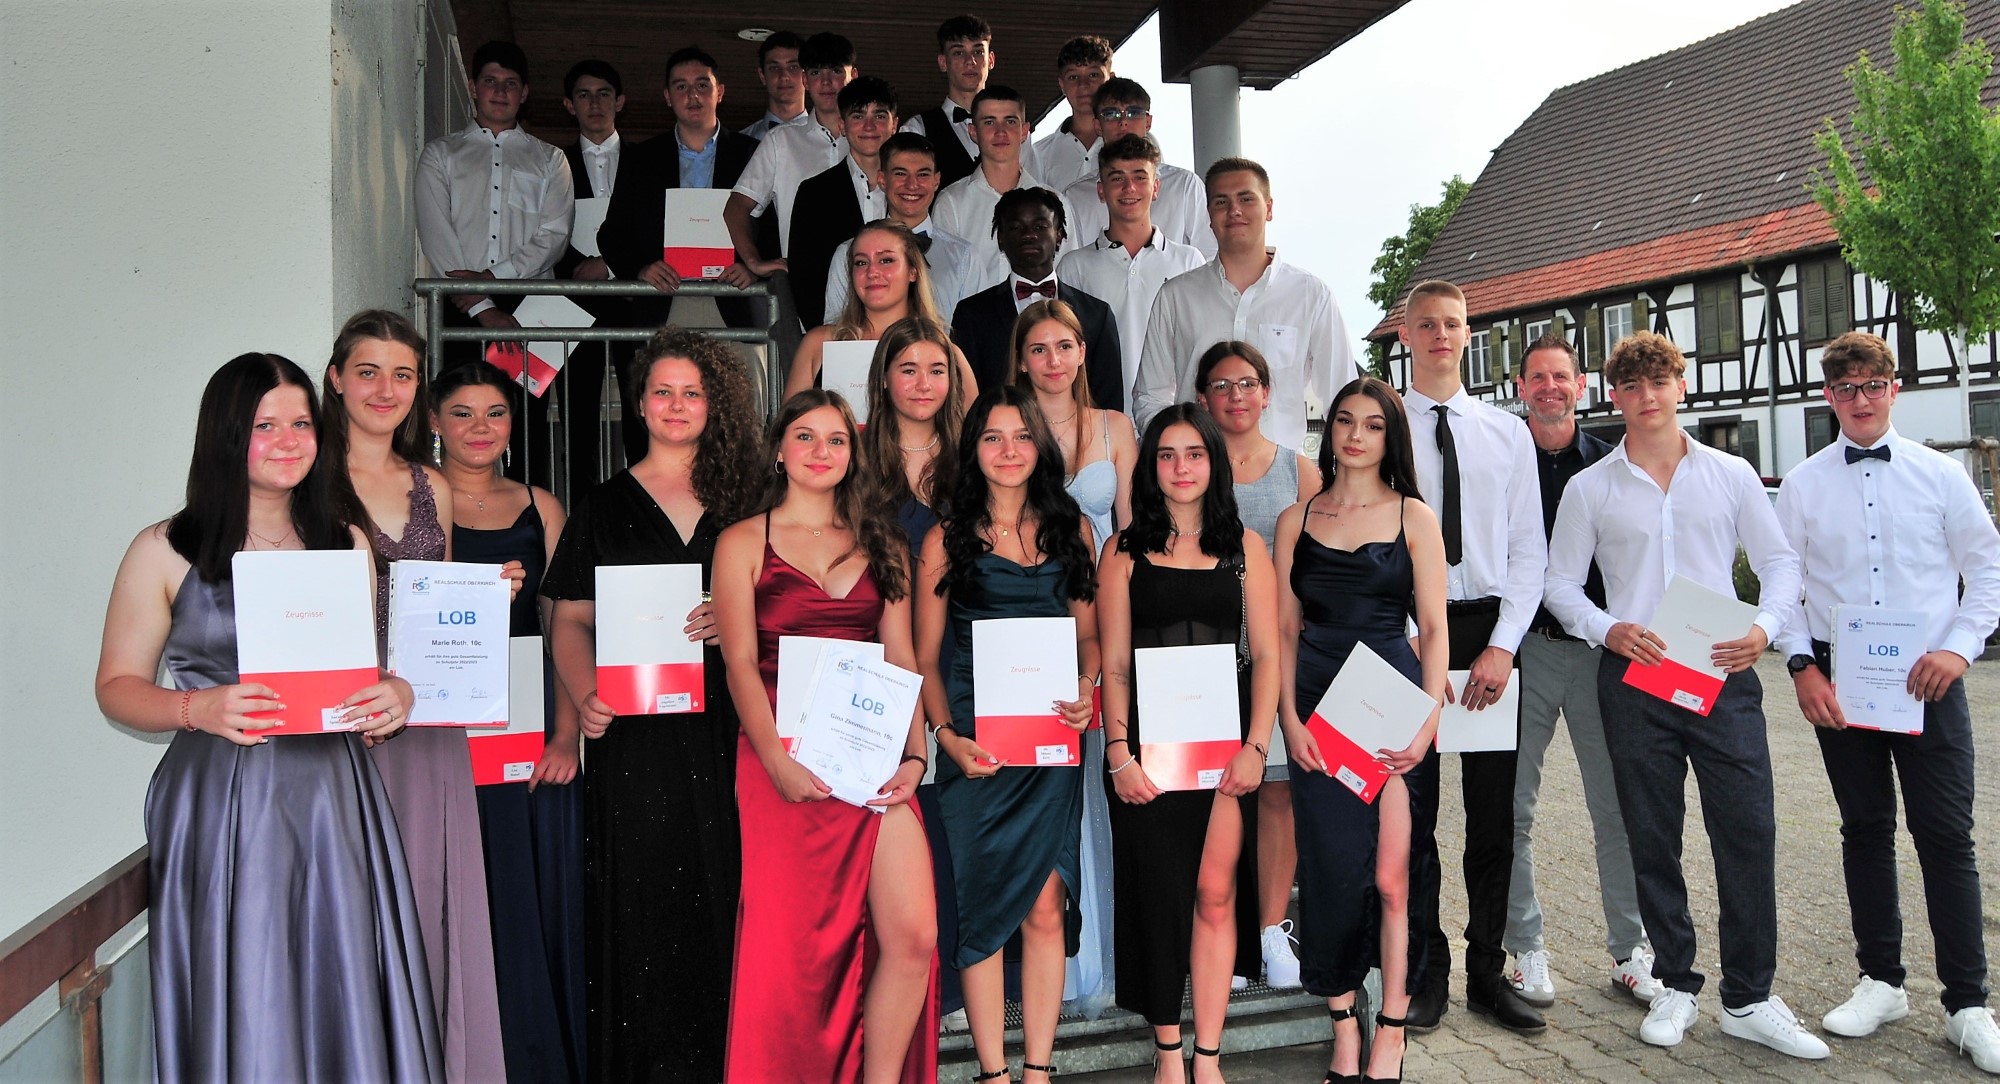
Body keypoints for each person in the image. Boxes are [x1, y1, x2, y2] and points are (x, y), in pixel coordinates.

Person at [96, 353, 440, 1080]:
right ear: (225, 435)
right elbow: (117, 687)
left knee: (340, 975)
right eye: (264, 425)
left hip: (333, 797)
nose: (289, 441)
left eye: (301, 423)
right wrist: (195, 705)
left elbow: (363, 673)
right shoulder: (164, 548)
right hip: (222, 799)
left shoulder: (345, 541)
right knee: (247, 981)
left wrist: (395, 695)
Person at [1544, 330, 1826, 1059]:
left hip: (1723, 673)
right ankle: (1675, 982)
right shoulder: (1591, 487)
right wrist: (1607, 629)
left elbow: (1781, 564)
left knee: (1748, 830)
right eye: (1633, 386)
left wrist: (1764, 629)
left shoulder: (1731, 474)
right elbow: (1560, 584)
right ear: (1615, 396)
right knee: (1651, 835)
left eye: (1659, 382)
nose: (1648, 397)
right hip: (1635, 678)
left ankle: (1750, 996)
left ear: (1682, 385)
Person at [1774, 331, 2000, 1072]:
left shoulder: (1941, 476)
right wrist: (1802, 666)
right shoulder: (1803, 484)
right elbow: (1784, 583)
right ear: (1829, 398)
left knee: (1946, 836)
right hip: (1843, 683)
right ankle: (1881, 981)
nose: (1860, 400)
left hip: (1930, 682)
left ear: (1893, 389)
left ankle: (1967, 1004)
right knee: (1865, 829)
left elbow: (1988, 568)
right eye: (1845, 389)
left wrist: (1959, 649)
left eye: (1872, 385)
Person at [540, 327, 762, 1078]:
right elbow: (569, 619)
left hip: (731, 729)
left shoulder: (749, 500)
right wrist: (584, 695)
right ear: (638, 404)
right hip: (633, 738)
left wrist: (739, 616)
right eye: (662, 391)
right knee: (642, 914)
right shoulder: (602, 506)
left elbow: (790, 603)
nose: (676, 405)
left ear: (713, 404)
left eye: (692, 392)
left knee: (731, 896)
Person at [713, 390, 939, 1083]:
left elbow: (901, 656)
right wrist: (776, 761)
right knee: (794, 957)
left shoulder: (883, 541)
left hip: (870, 754)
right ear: (779, 451)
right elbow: (738, 663)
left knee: (914, 935)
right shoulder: (741, 542)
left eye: (836, 439)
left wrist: (917, 753)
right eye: (805, 436)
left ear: (853, 454)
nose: (821, 451)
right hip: (779, 757)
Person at [321, 310, 508, 1083]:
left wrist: (485, 599)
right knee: (348, 908)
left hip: (426, 727)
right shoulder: (304, 477)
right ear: (336, 378)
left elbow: (438, 606)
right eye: (368, 371)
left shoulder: (434, 485)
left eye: (402, 375)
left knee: (428, 904)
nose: (384, 389)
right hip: (336, 727)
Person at [917, 386, 1101, 1084]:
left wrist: (1088, 687)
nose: (1008, 450)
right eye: (992, 437)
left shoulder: (1071, 529)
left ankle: (1039, 1071)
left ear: (1040, 445)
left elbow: (1089, 636)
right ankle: (994, 1073)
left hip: (1051, 742)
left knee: (1046, 905)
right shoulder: (945, 538)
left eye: (1021, 435)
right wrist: (945, 736)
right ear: (973, 450)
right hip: (977, 746)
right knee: (985, 906)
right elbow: (925, 658)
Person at [1274, 377, 1448, 1084]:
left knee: (1393, 878)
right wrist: (1289, 719)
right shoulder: (1296, 520)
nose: (1355, 435)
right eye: (1345, 421)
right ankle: (1344, 1023)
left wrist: (1428, 719)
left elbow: (1433, 627)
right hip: (1318, 710)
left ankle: (1393, 1030)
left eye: (1373, 425)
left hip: (1390, 710)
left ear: (1391, 437)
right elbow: (1285, 630)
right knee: (1333, 874)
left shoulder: (1415, 517)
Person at [1099, 404, 1278, 1083]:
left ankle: (1209, 1056)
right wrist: (1118, 753)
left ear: (1214, 463)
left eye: (1194, 454)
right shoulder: (1121, 552)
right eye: (1167, 455)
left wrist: (1256, 748)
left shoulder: (1246, 549)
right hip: (1146, 750)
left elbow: (1267, 656)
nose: (1180, 467)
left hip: (1223, 746)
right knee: (1159, 898)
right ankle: (1168, 1052)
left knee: (1214, 893)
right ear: (1150, 467)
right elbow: (1115, 665)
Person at [1393, 281, 1547, 1035]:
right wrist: (1403, 634)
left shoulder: (1507, 434)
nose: (1441, 336)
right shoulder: (1383, 425)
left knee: (1492, 820)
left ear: (1467, 331)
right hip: (1407, 632)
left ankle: (1488, 971)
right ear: (1405, 336)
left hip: (1487, 633)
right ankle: (1425, 973)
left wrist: (1502, 648)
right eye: (1427, 325)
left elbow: (1529, 551)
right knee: (1412, 815)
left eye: (1452, 324)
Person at [431, 361, 586, 1083]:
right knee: (459, 889)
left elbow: (564, 625)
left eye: (495, 412)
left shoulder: (540, 506)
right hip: (438, 729)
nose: (480, 427)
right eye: (462, 413)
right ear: (435, 423)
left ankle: (531, 1058)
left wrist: (565, 734)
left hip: (528, 724)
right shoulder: (415, 502)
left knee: (527, 893)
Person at [1504, 335, 1660, 1010]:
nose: (1549, 387)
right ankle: (1525, 946)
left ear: (1581, 385)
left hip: (1604, 653)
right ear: (1520, 388)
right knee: (1513, 808)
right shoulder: (1504, 460)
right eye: (1537, 377)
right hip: (1526, 650)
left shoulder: (1611, 463)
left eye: (1560, 376)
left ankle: (1631, 950)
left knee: (1617, 806)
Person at [1194, 341, 1320, 990]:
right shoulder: (1188, 466)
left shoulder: (1299, 471)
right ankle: (1227, 937)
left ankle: (1271, 932)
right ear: (1202, 399)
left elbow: (1322, 566)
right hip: (1201, 657)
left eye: (1247, 383)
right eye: (1221, 385)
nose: (1235, 396)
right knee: (1213, 796)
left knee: (1277, 793)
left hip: (1276, 656)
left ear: (1268, 393)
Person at [415, 41, 574, 483]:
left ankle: (528, 515)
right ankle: (454, 517)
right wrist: (483, 305)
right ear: (472, 86)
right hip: (459, 306)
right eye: (490, 81)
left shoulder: (550, 159)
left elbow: (554, 237)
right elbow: (437, 236)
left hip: (529, 306)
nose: (500, 92)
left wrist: (492, 279)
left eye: (510, 83)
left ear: (524, 93)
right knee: (459, 419)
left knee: (526, 427)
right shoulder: (440, 154)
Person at [1131, 158, 1352, 445]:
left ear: (1269, 208)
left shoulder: (1311, 296)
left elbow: (1343, 398)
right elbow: (1149, 397)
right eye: (1221, 202)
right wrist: (1178, 450)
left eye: (1246, 199)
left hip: (1282, 469)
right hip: (1197, 469)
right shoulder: (1175, 297)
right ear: (1209, 215)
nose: (1234, 210)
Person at [1056, 134, 1204, 405]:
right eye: (1117, 178)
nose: (1129, 188)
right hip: (1099, 416)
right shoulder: (1074, 267)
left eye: (1140, 177)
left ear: (1156, 187)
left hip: (1172, 417)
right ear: (1101, 191)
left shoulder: (1189, 261)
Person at [952, 188, 1123, 409]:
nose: (1028, 235)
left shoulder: (1097, 314)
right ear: (1000, 239)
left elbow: (1109, 403)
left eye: (1040, 227)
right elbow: (965, 401)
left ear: (1059, 235)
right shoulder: (971, 314)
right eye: (1016, 227)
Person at [784, 220, 975, 398]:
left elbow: (970, 423)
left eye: (886, 260)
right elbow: (791, 420)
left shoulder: (946, 353)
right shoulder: (818, 344)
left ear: (913, 271)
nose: (872, 272)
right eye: (861, 262)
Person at [725, 32, 856, 266]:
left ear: (853, 76)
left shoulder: (872, 137)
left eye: (836, 71)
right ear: (805, 79)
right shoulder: (781, 141)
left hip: (869, 275)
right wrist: (754, 263)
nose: (826, 82)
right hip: (803, 276)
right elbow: (735, 208)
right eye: (816, 72)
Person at [932, 85, 1080, 293]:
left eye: (1010, 121)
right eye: (989, 122)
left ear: (1024, 131)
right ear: (973, 132)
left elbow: (1069, 278)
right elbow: (942, 285)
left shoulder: (1056, 203)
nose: (1000, 131)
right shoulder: (951, 203)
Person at [824, 133, 978, 325]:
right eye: (900, 174)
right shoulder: (849, 253)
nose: (912, 185)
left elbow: (975, 332)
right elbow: (836, 330)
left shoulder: (964, 257)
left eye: (922, 174)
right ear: (882, 179)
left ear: (936, 181)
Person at [1060, 79, 1215, 258]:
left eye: (1133, 113)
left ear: (1148, 122)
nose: (1123, 122)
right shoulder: (1075, 196)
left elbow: (1209, 257)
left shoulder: (1185, 185)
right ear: (1097, 126)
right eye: (1111, 114)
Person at [788, 76, 898, 329]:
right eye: (858, 116)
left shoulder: (910, 189)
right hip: (837, 332)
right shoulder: (814, 193)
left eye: (879, 116)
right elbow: (804, 278)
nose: (869, 126)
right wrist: (832, 337)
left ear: (895, 125)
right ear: (842, 125)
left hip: (902, 332)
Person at [900, 15, 994, 187]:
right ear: (943, 62)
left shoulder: (1013, 129)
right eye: (959, 53)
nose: (970, 61)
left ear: (991, 60)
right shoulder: (917, 129)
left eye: (978, 52)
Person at [1030, 35, 1115, 192]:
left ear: (1111, 79)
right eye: (1073, 77)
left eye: (1093, 75)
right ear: (1062, 85)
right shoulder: (1039, 154)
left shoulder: (1135, 142)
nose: (1083, 84)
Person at [741, 31, 808, 140]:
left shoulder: (830, 141)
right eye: (774, 68)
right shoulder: (741, 142)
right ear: (762, 76)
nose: (784, 76)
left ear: (807, 75)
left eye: (793, 67)